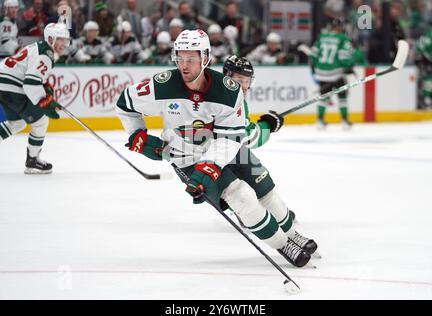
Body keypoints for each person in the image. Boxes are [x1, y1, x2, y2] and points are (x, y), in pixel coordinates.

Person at [115, 29, 316, 268]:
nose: (184, 65)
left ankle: (292, 233)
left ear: (206, 58)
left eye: (191, 58)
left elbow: (233, 138)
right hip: (186, 158)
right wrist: (137, 135)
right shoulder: (162, 86)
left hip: (224, 148)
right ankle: (283, 244)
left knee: (263, 182)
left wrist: (210, 166)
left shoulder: (229, 91)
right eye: (180, 57)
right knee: (240, 196)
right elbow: (125, 103)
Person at [221, 55, 318, 257]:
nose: (244, 86)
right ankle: (253, 218)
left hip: (235, 152)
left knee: (262, 181)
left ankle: (285, 226)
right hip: (217, 156)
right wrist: (267, 126)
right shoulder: (224, 99)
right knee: (241, 192)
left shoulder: (236, 99)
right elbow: (247, 137)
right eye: (240, 80)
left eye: (247, 81)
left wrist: (264, 124)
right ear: (227, 77)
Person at [0, 23, 69, 173]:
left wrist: (45, 89)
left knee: (17, 123)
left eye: (65, 40)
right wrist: (46, 104)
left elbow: (34, 78)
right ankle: (32, 161)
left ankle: (32, 160)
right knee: (41, 121)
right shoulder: (46, 54)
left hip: (3, 84)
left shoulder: (39, 47)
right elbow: (30, 84)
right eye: (61, 39)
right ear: (50, 38)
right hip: (11, 86)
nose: (64, 43)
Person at [311, 17, 355, 130]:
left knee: (324, 97)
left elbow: (314, 55)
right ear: (340, 27)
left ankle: (319, 121)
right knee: (342, 96)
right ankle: (345, 121)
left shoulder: (322, 37)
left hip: (321, 73)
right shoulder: (342, 38)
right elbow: (343, 56)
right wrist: (348, 66)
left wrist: (316, 68)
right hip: (336, 73)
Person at [415, 28, 432, 109]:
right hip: (425, 60)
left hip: (427, 60)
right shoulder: (429, 36)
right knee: (427, 80)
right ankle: (426, 100)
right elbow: (418, 48)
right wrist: (420, 58)